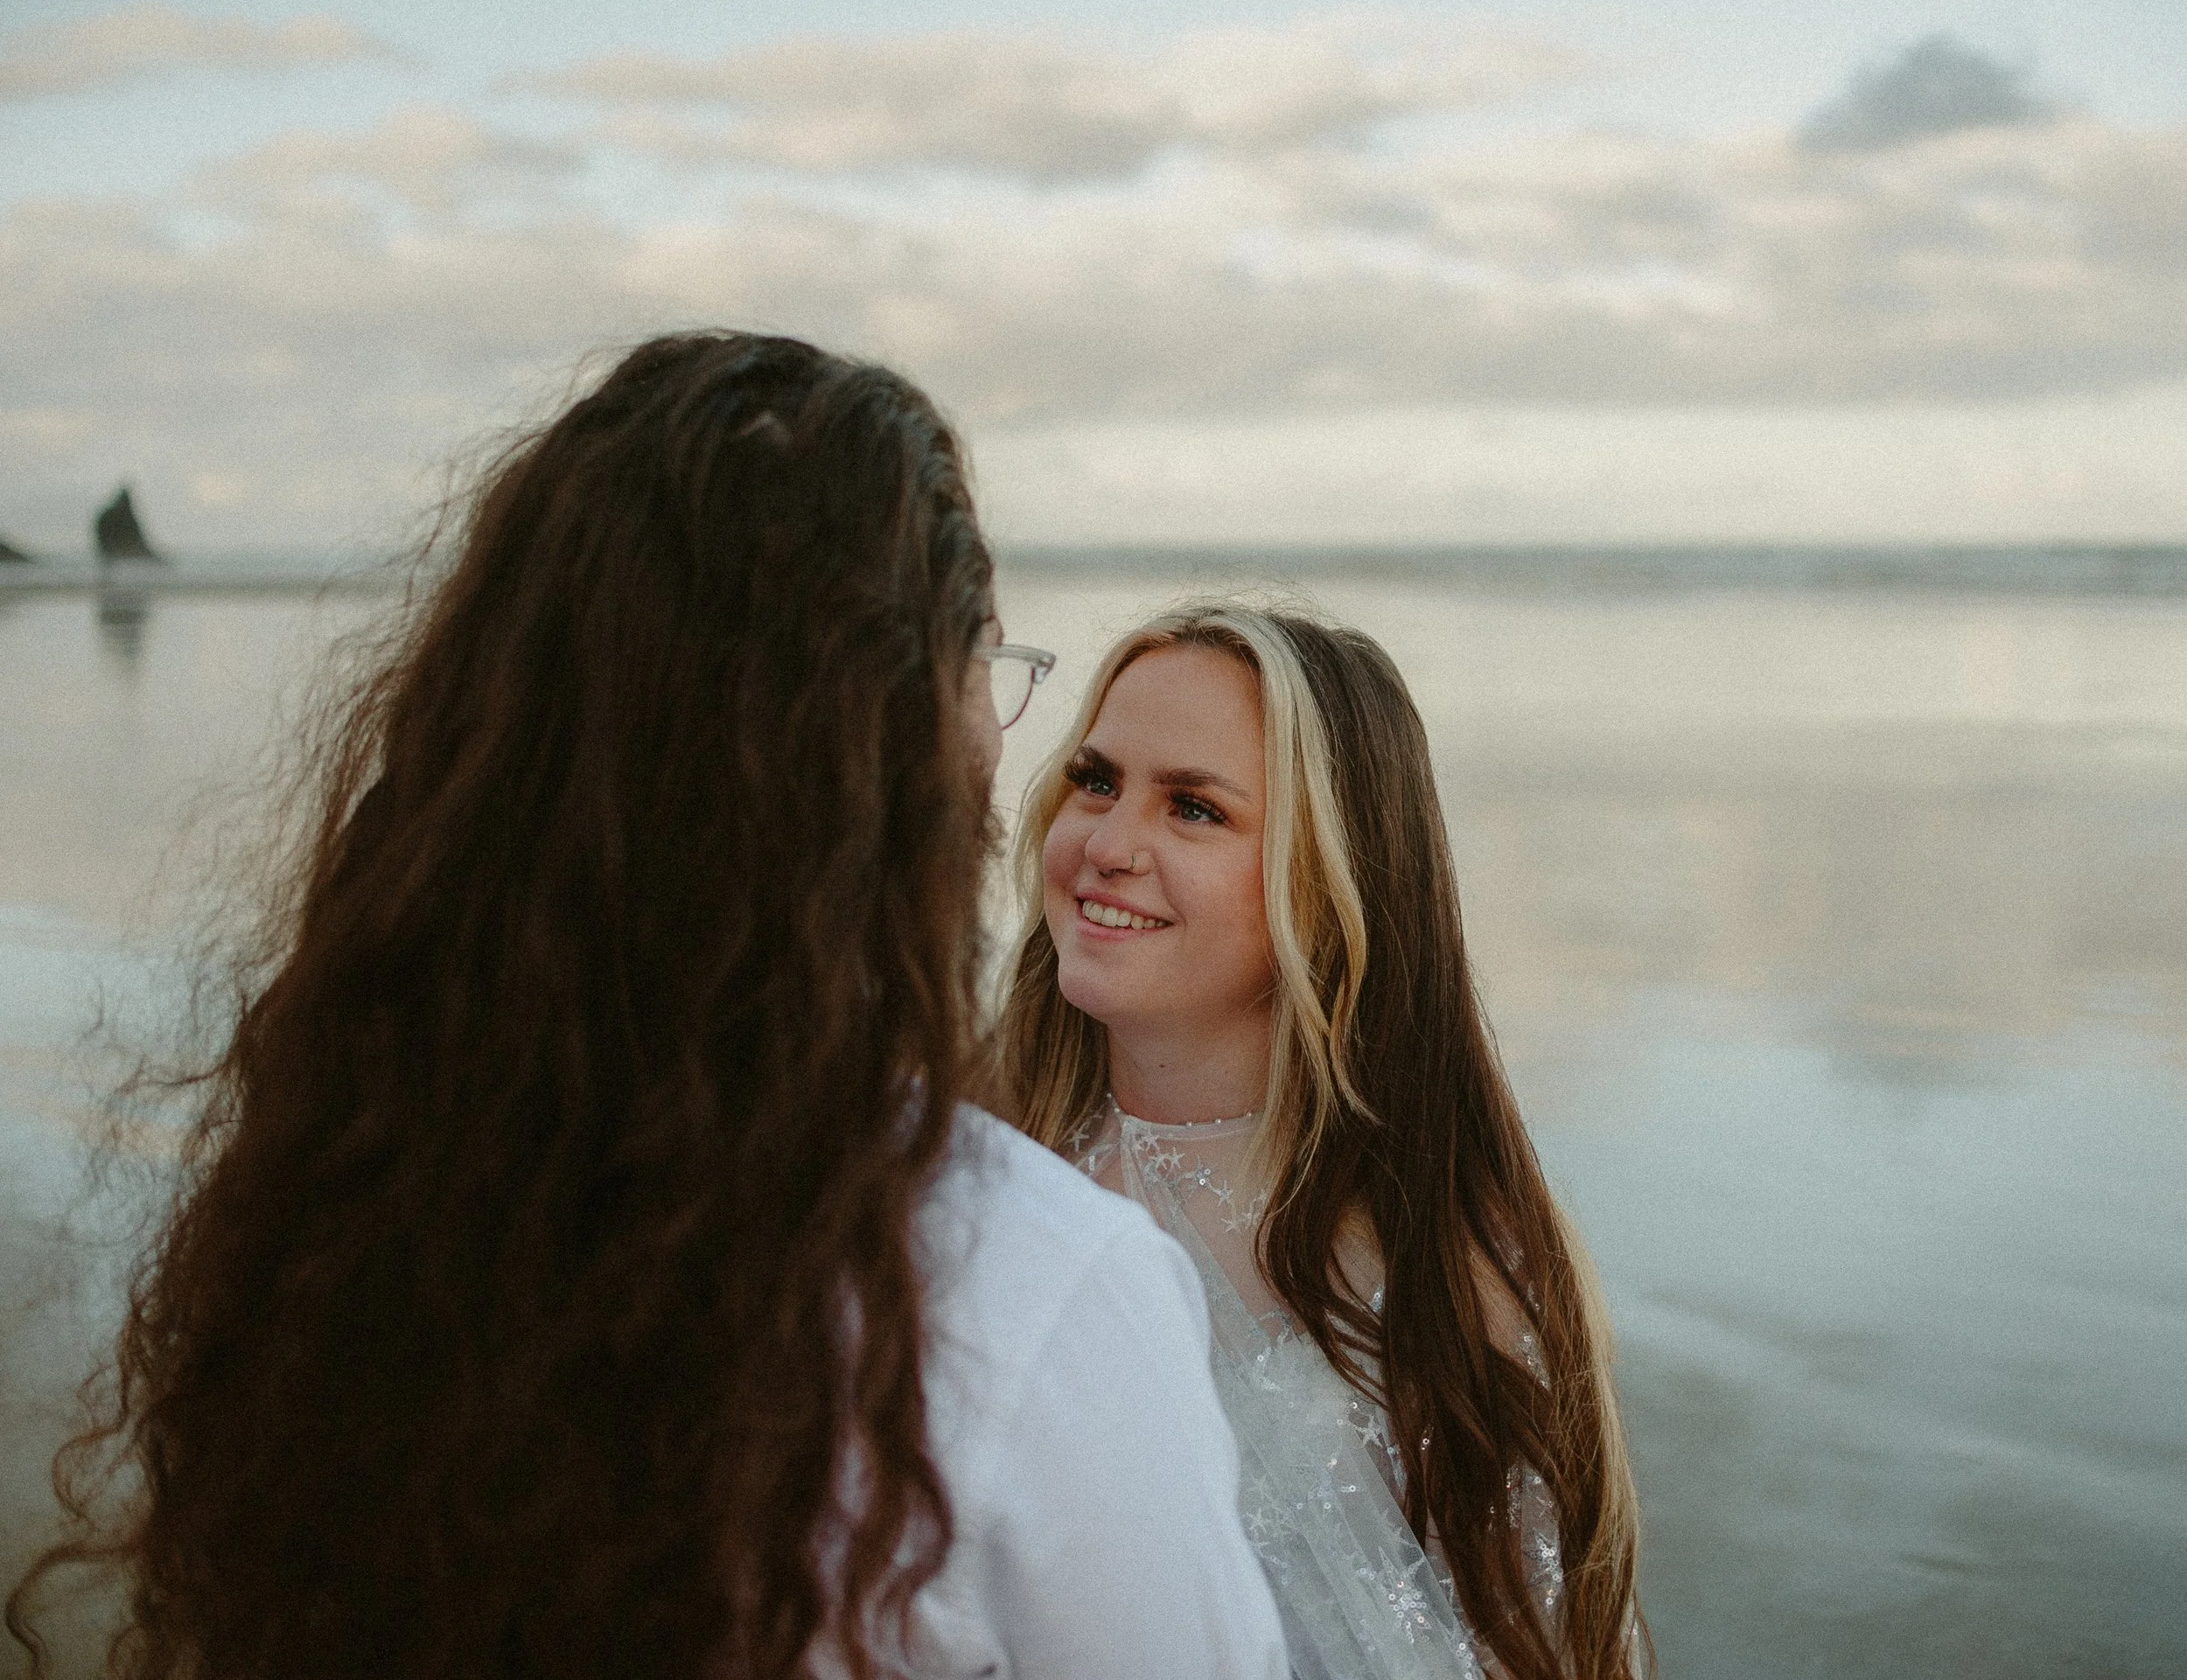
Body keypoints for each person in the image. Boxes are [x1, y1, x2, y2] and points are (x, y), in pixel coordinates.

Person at [6, 336, 1288, 1680]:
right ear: (886, 739)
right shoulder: (1036, 1290)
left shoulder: (365, 1195)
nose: (1004, 736)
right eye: (983, 663)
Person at [997, 603, 1649, 1680]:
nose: (1107, 845)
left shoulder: (1447, 1253)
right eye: (1096, 779)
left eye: (1193, 809)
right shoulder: (962, 1165)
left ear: (1330, 874)